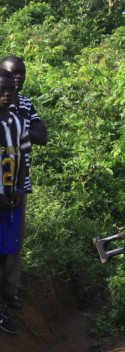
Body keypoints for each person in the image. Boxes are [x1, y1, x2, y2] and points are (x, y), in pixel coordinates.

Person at [0, 56, 47, 311]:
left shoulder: (25, 105)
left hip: (18, 182)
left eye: (22, 75)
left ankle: (10, 291)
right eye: (12, 74)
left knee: (14, 239)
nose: (18, 79)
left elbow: (42, 135)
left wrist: (20, 131)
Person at [0, 68, 29, 334]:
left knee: (8, 250)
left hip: (12, 197)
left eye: (11, 90)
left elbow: (22, 158)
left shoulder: (17, 122)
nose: (8, 94)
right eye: (3, 90)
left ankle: (5, 299)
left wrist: (19, 189)